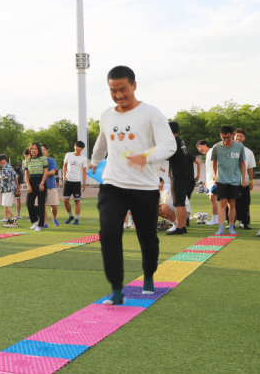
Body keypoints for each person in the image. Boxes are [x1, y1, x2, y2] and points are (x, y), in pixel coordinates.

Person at [90, 65, 176, 304]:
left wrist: (146, 157)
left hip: (144, 188)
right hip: (112, 185)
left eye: (123, 89)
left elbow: (169, 145)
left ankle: (148, 276)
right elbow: (102, 142)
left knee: (147, 238)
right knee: (109, 232)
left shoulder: (151, 113)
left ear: (134, 86)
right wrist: (94, 161)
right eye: (113, 90)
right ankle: (117, 290)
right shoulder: (106, 116)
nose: (118, 95)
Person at [211, 125, 247, 236]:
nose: (226, 140)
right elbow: (214, 162)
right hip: (221, 179)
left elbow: (242, 162)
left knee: (232, 203)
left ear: (232, 135)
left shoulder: (239, 147)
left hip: (235, 180)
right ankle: (221, 228)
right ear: (220, 136)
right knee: (223, 203)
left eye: (228, 137)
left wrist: (243, 178)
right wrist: (215, 175)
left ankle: (231, 226)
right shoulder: (216, 147)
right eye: (223, 138)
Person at [166, 121, 189, 235]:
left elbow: (166, 156)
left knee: (178, 202)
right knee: (181, 202)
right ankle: (183, 226)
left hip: (176, 174)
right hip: (183, 174)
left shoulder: (173, 141)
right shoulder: (180, 140)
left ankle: (179, 227)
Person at [233, 128, 256, 230]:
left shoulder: (248, 152)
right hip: (231, 182)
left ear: (244, 138)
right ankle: (232, 222)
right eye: (237, 135)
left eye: (241, 136)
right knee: (231, 203)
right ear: (234, 136)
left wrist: (251, 181)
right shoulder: (228, 149)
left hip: (244, 182)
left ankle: (244, 222)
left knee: (245, 203)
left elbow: (250, 168)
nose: (239, 138)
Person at [25, 142, 50, 232]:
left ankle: (40, 224)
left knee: (41, 204)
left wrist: (42, 183)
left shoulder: (43, 158)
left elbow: (46, 171)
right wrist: (28, 185)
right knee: (29, 203)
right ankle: (35, 221)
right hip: (31, 181)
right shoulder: (27, 160)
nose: (33, 150)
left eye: (35, 149)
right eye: (32, 149)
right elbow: (26, 174)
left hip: (41, 181)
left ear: (38, 149)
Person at [63, 140, 88, 225]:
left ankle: (77, 219)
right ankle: (71, 216)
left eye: (80, 147)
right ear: (74, 146)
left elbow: (84, 170)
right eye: (77, 146)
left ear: (82, 149)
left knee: (77, 201)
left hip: (77, 181)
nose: (78, 148)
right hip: (68, 181)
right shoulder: (68, 155)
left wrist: (84, 182)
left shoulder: (83, 158)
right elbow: (65, 166)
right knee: (65, 200)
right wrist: (63, 176)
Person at [196, 140, 220, 225]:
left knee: (214, 199)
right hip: (209, 181)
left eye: (200, 147)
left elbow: (217, 164)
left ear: (205, 145)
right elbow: (209, 170)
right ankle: (215, 218)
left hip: (214, 180)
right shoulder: (207, 154)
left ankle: (215, 219)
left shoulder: (213, 150)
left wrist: (216, 177)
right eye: (198, 148)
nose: (199, 149)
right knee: (211, 199)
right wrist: (206, 181)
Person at [40, 144, 60, 227]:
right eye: (41, 150)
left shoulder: (51, 161)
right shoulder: (37, 162)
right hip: (41, 186)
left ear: (47, 151)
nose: (43, 151)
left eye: (44, 149)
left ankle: (54, 217)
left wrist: (43, 174)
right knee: (42, 205)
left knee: (54, 205)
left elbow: (53, 172)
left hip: (51, 185)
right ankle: (45, 223)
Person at [0, 154, 19, 222]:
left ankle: (14, 217)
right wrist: (17, 186)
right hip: (10, 187)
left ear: (4, 159)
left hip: (8, 187)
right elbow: (16, 176)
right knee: (5, 203)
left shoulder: (6, 167)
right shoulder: (10, 166)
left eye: (0, 161)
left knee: (6, 204)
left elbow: (4, 177)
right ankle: (6, 218)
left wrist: (0, 177)